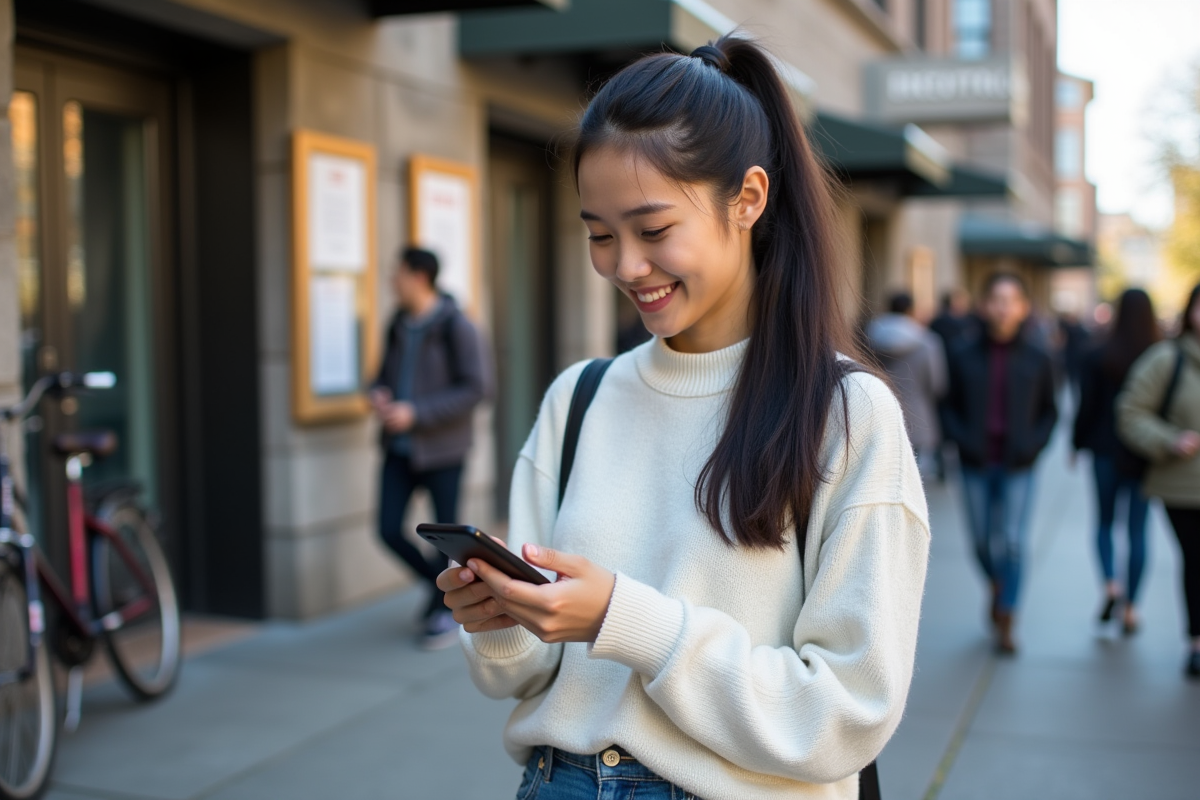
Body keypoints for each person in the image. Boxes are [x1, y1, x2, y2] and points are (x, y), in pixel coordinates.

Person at [438, 36, 930, 800]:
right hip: (556, 781)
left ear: (749, 199)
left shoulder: (846, 415)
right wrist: (499, 616)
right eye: (599, 234)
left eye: (653, 229)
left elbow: (845, 712)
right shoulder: (581, 397)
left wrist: (626, 619)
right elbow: (527, 674)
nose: (624, 266)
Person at [370, 246, 490, 650]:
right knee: (387, 528)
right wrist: (379, 395)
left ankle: (445, 610)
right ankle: (441, 595)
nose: (392, 281)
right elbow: (381, 375)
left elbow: (477, 388)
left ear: (418, 277)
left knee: (444, 535)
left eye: (396, 273)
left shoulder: (456, 325)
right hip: (398, 449)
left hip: (443, 450)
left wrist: (416, 412)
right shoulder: (398, 323)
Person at [940, 273, 1057, 655]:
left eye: (1012, 300)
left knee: (1013, 542)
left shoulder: (1039, 356)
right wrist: (961, 439)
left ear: (1024, 308)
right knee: (980, 542)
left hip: (1018, 465)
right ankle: (996, 584)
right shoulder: (962, 353)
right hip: (975, 463)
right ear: (985, 305)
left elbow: (1050, 412)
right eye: (997, 299)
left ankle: (1007, 615)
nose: (1004, 307)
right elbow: (948, 406)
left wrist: (1033, 446)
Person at [1118, 283, 1200, 679]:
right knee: (1197, 561)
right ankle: (1197, 641)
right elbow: (1131, 410)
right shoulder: (1167, 360)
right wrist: (1169, 440)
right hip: (1183, 486)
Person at [1072, 289, 1160, 635]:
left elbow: (1087, 406)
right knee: (1138, 530)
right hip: (1143, 453)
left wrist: (1076, 443)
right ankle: (1132, 608)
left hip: (1104, 450)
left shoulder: (1098, 355)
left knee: (1104, 523)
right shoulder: (1158, 357)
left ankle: (1111, 584)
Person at [867, 292, 947, 478]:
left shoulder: (868, 339)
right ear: (911, 311)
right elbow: (937, 384)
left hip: (877, 413)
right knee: (914, 477)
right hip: (917, 415)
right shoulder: (928, 341)